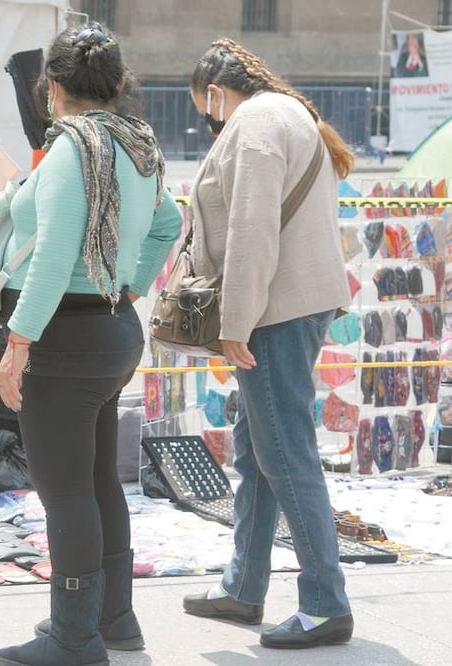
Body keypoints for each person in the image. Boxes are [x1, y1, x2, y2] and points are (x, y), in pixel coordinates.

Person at [0, 23, 183, 666]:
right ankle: (112, 619)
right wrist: (130, 285)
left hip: (64, 337)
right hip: (110, 330)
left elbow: (52, 257)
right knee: (97, 481)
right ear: (117, 83)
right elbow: (169, 224)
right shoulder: (136, 144)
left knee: (66, 491)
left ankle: (74, 640)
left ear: (52, 86)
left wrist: (18, 341)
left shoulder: (72, 150)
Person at [181, 38, 355, 649]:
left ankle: (325, 604)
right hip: (291, 304)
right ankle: (244, 587)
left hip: (274, 310)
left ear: (214, 94)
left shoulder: (256, 122)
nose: (204, 122)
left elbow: (251, 228)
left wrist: (235, 321)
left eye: (203, 110)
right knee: (259, 451)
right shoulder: (286, 113)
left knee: (283, 453)